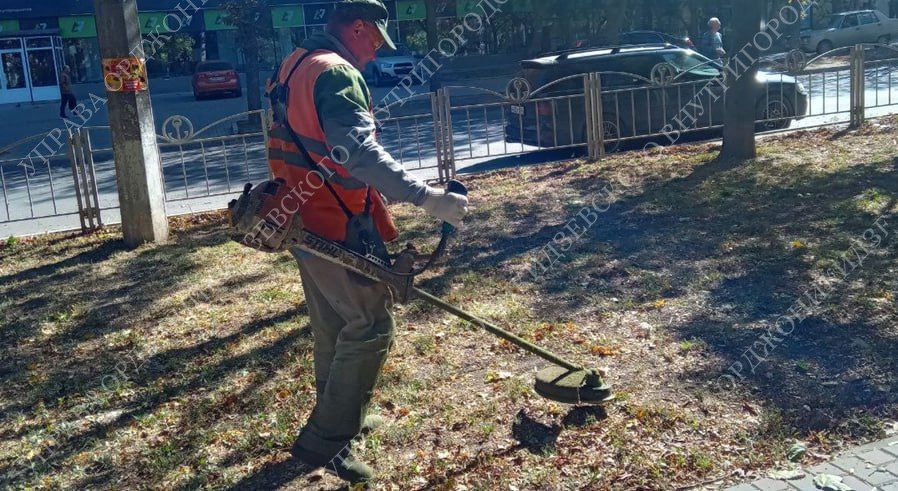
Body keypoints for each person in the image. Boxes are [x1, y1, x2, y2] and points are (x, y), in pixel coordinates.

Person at [265, 0, 468, 485]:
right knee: (371, 326)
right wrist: (428, 199)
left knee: (335, 324)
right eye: (375, 40)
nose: (376, 54)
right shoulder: (334, 72)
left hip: (300, 213)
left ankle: (340, 419)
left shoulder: (297, 62)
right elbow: (356, 151)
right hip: (332, 219)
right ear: (357, 27)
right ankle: (328, 440)